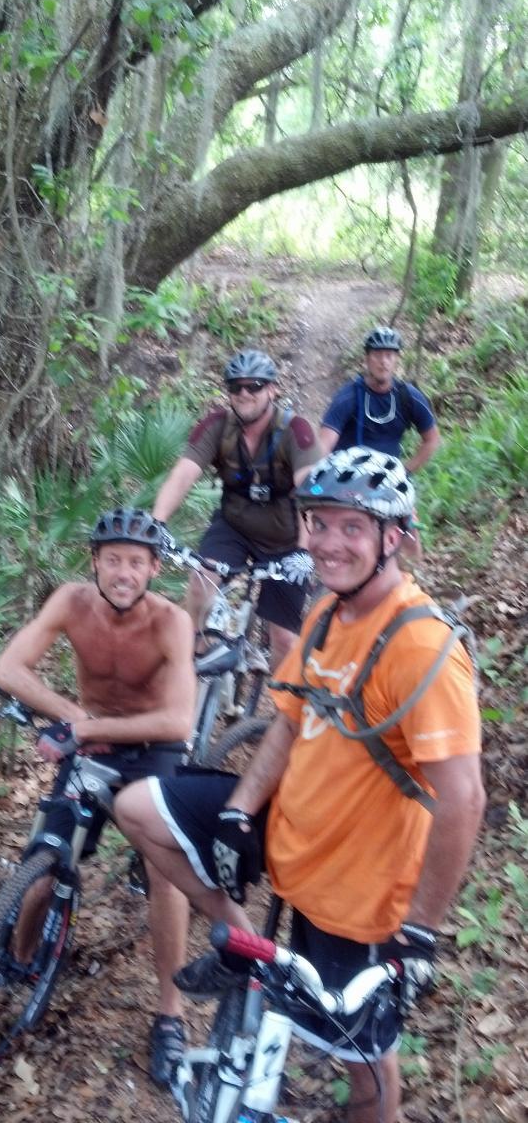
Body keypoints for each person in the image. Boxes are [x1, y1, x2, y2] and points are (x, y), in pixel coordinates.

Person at [114, 450, 485, 1123]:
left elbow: (463, 798)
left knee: (364, 1073)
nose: (329, 542)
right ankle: (243, 947)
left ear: (391, 538)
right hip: (292, 832)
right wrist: (236, 811)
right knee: (139, 806)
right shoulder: (323, 614)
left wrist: (420, 934)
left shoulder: (421, 644)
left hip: (356, 892)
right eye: (319, 523)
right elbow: (285, 722)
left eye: (353, 527)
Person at [0, 507, 196, 1090]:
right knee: (44, 861)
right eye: (112, 560)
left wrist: (83, 731)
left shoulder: (171, 622)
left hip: (153, 750)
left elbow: (179, 720)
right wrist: (78, 719)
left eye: (136, 562)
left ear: (155, 567)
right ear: (95, 564)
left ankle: (170, 1012)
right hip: (92, 740)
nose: (123, 572)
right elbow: (10, 666)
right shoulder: (71, 602)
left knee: (164, 874)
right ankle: (20, 957)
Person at [153, 348, 322, 669]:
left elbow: (310, 493)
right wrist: (157, 522)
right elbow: (185, 473)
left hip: (285, 539)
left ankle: (280, 711)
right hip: (234, 527)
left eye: (254, 386)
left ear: (272, 389)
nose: (244, 394)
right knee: (201, 585)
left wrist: (303, 551)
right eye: (236, 387)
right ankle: (196, 663)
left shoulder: (295, 430)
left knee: (285, 639)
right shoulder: (217, 425)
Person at [319, 326, 441, 471]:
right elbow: (323, 445)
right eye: (377, 355)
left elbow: (432, 439)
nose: (383, 361)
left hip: (387, 478)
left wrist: (405, 471)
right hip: (347, 475)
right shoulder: (348, 396)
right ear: (367, 359)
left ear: (396, 360)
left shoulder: (409, 397)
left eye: (389, 355)